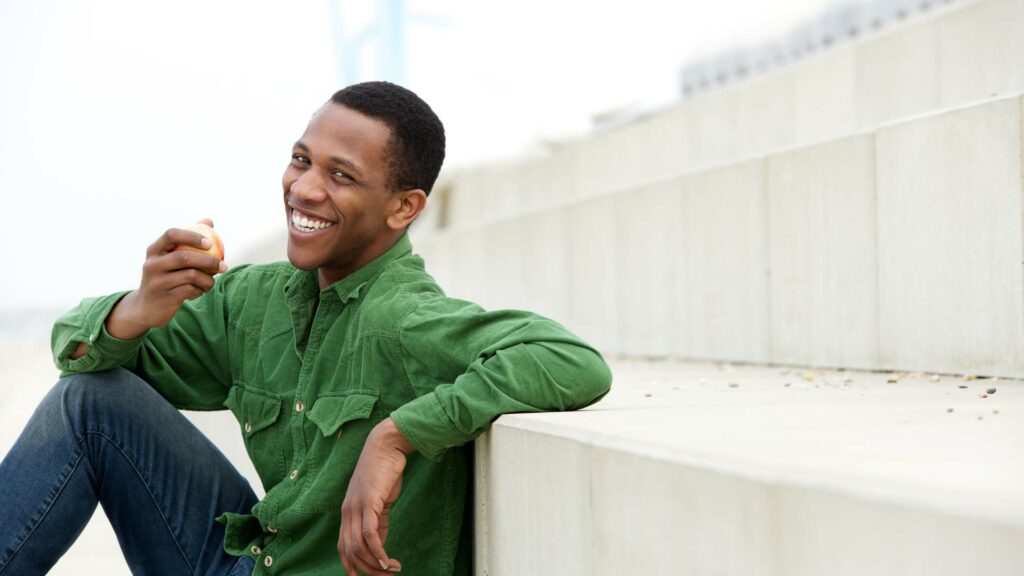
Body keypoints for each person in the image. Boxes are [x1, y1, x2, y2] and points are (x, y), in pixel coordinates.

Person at [0, 81, 612, 576]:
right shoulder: (253, 298)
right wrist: (138, 308)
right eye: (301, 160)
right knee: (90, 400)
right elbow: (78, 352)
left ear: (403, 207)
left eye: (341, 176)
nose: (305, 189)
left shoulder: (409, 318)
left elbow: (572, 361)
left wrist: (396, 435)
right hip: (251, 560)